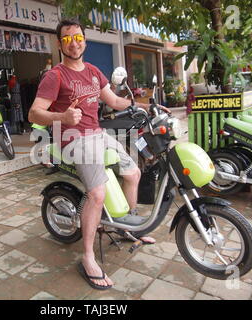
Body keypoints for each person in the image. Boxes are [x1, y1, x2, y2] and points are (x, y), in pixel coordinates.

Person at [28, 18, 169, 290]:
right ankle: (89, 257)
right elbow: (34, 113)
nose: (74, 42)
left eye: (77, 37)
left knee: (133, 172)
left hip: (96, 133)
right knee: (97, 193)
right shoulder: (54, 75)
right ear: (60, 44)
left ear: (84, 39)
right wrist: (63, 116)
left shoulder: (93, 71)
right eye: (67, 38)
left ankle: (127, 226)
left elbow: (114, 101)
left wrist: (145, 106)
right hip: (71, 137)